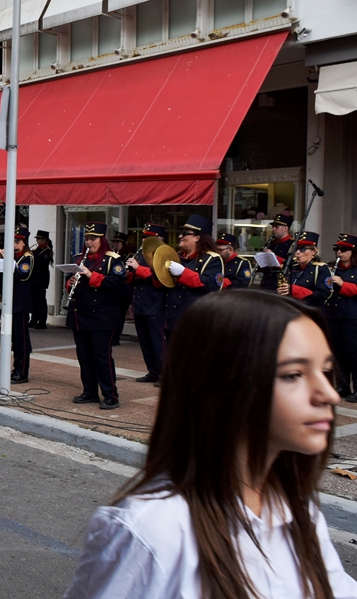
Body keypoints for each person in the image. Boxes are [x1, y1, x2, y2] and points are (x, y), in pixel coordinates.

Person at [64, 290, 357, 599]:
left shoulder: (296, 507)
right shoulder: (155, 530)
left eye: (325, 371)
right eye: (294, 374)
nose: (329, 395)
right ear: (224, 384)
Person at [66, 222, 125, 410]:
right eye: (87, 239)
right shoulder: (79, 259)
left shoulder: (113, 260)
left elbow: (117, 284)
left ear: (102, 240)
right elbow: (70, 284)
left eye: (93, 239)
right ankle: (89, 391)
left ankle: (110, 395)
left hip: (102, 316)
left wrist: (91, 275)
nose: (89, 242)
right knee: (84, 356)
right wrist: (71, 281)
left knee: (102, 357)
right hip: (80, 314)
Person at [164, 214, 224, 343]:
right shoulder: (178, 257)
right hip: (173, 319)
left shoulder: (212, 259)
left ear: (197, 237)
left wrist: (183, 273)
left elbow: (212, 285)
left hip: (196, 321)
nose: (180, 236)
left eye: (185, 233)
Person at [124, 224, 168, 386]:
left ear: (159, 238)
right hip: (141, 302)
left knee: (158, 341)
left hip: (155, 302)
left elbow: (161, 278)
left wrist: (138, 268)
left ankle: (164, 373)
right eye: (143, 237)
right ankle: (153, 371)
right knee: (145, 340)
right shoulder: (141, 253)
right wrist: (128, 272)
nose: (144, 240)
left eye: (148, 237)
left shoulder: (163, 254)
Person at [2, 228, 34, 384]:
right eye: (13, 242)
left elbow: (22, 274)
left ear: (24, 243)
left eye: (17, 242)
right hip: (11, 302)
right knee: (13, 339)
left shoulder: (27, 257)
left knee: (21, 339)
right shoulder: (15, 257)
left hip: (21, 303)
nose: (14, 245)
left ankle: (23, 372)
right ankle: (16, 367)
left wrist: (6, 260)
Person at [328, 233, 357, 401]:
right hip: (334, 315)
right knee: (338, 353)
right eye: (338, 249)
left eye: (344, 250)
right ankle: (342, 386)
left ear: (353, 252)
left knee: (353, 353)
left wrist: (342, 284)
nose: (339, 253)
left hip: (351, 316)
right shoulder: (332, 267)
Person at [278, 231, 332, 309]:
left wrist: (294, 290)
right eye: (296, 249)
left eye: (302, 249)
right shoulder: (293, 267)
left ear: (313, 252)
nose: (297, 252)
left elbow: (322, 296)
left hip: (311, 312)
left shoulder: (321, 268)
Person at [259, 212, 293, 290]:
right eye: (273, 227)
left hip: (280, 283)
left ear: (285, 228)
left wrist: (273, 256)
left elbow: (291, 264)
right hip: (266, 282)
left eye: (276, 227)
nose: (273, 229)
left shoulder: (292, 244)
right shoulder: (272, 243)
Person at [29, 230, 53, 329]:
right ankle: (34, 319)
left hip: (40, 278)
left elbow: (40, 262)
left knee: (40, 301)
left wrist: (31, 255)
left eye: (40, 239)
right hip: (34, 277)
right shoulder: (37, 249)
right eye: (37, 239)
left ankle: (42, 321)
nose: (38, 240)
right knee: (34, 300)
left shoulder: (47, 250)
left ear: (45, 239)